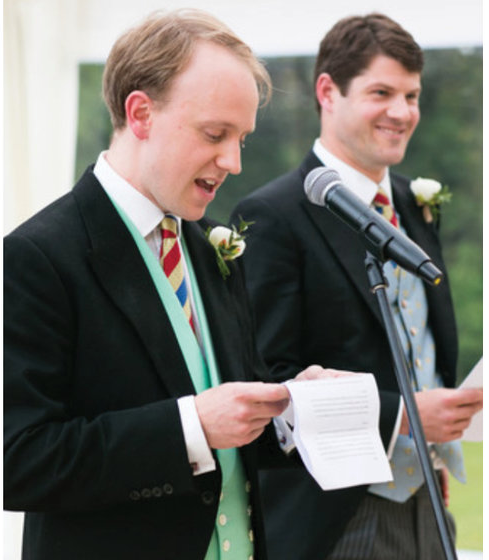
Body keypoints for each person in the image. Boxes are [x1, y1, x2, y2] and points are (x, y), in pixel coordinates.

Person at [4, 10, 340, 559]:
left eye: (242, 139)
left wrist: (289, 409)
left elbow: (236, 408)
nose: (232, 161)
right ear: (140, 113)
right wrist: (190, 428)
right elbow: (22, 459)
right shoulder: (37, 255)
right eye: (215, 133)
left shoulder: (215, 246)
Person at [232, 13, 483, 560]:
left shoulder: (417, 205)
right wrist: (404, 416)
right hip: (337, 517)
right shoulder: (273, 215)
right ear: (328, 91)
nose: (403, 112)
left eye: (412, 95)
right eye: (382, 92)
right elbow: (269, 379)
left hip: (430, 505)